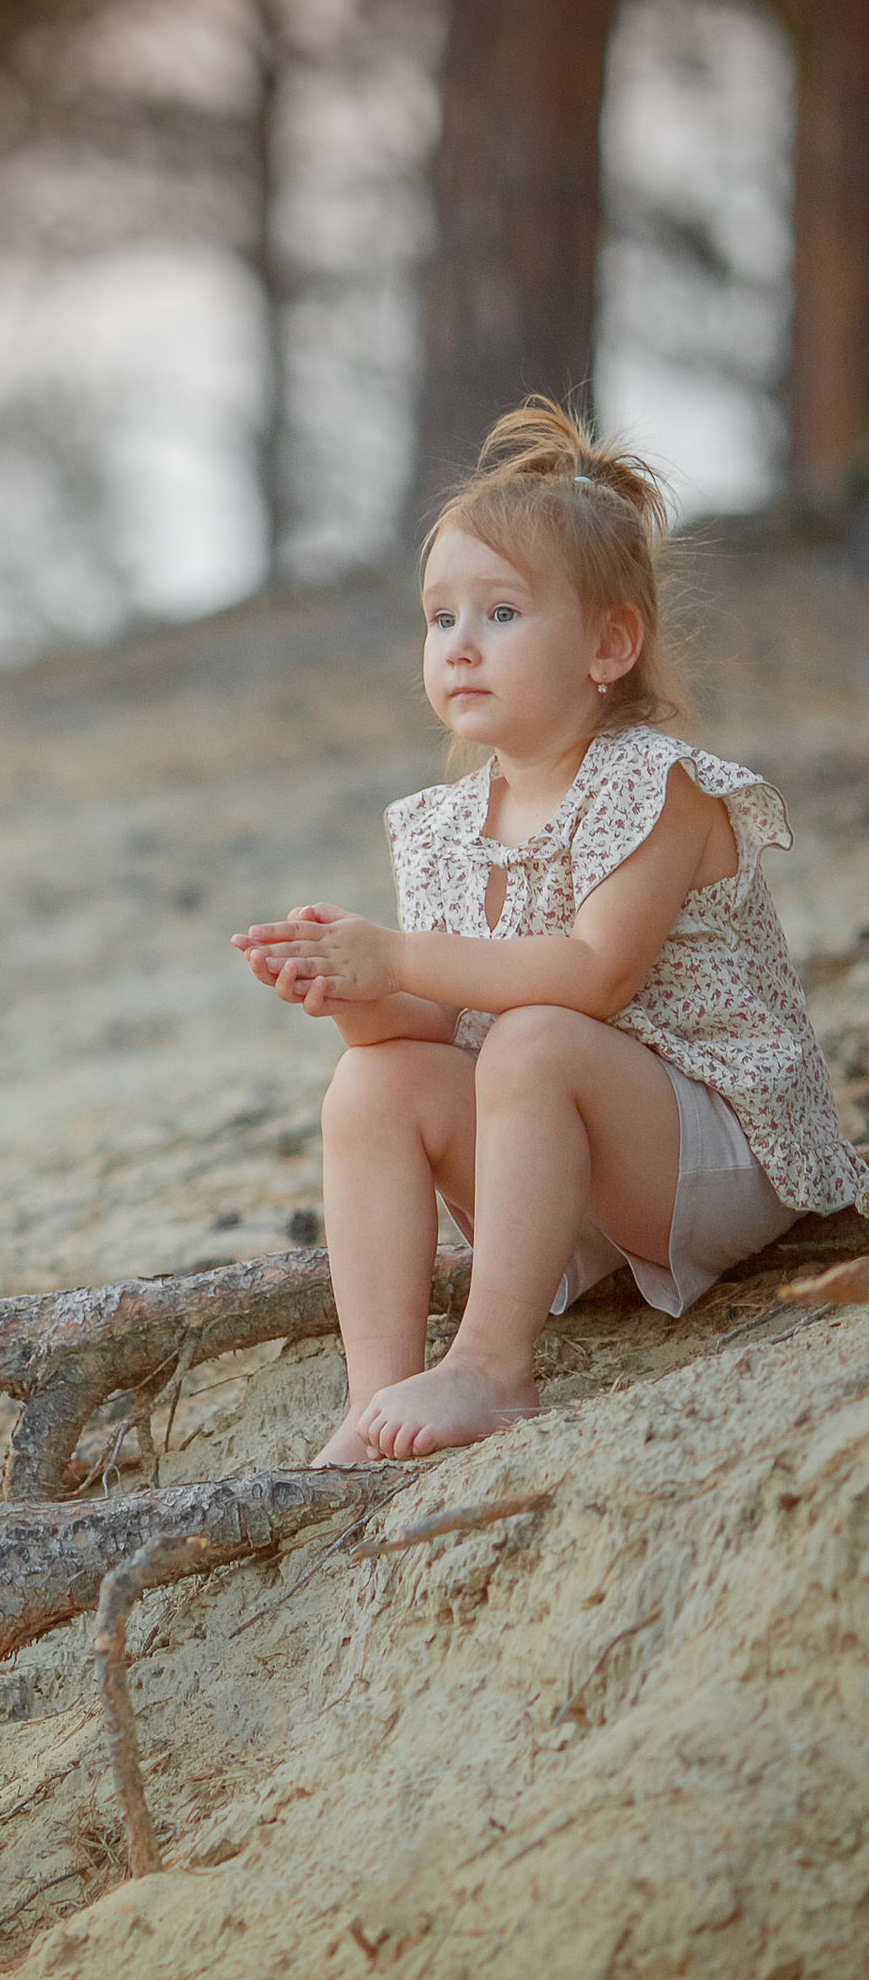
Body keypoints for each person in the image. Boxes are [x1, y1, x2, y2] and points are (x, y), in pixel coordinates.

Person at [230, 399, 869, 1463]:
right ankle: (376, 1392)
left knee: (532, 1033)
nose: (459, 645)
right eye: (439, 619)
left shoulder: (655, 784)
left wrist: (394, 952)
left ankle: (492, 1366)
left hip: (717, 1152)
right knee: (373, 1082)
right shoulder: (437, 826)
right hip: (561, 1175)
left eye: (501, 614)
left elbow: (593, 975)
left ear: (609, 644)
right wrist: (352, 991)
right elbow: (427, 1018)